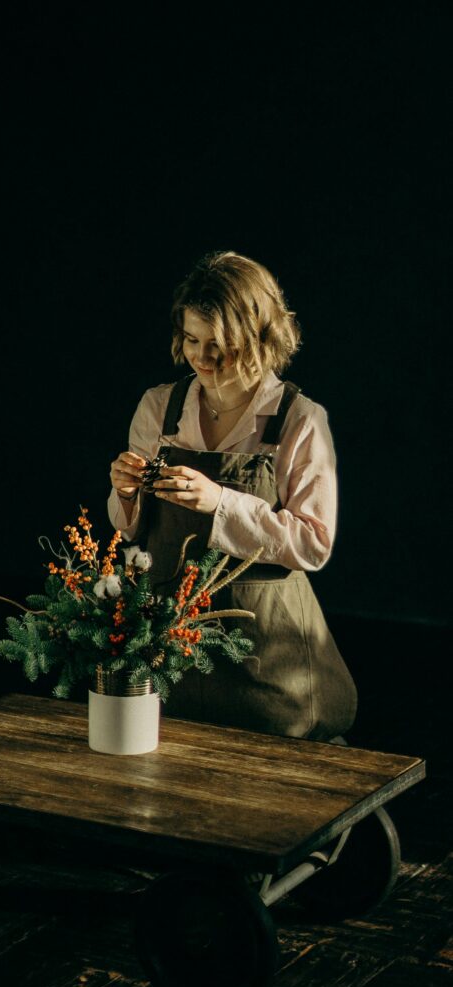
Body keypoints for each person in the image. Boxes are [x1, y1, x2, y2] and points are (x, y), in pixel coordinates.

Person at [108, 251, 357, 741]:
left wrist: (221, 503)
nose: (201, 358)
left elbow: (314, 543)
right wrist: (126, 492)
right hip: (168, 642)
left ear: (260, 338)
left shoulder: (300, 420)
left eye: (218, 344)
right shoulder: (160, 407)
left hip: (265, 655)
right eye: (191, 340)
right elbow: (129, 527)